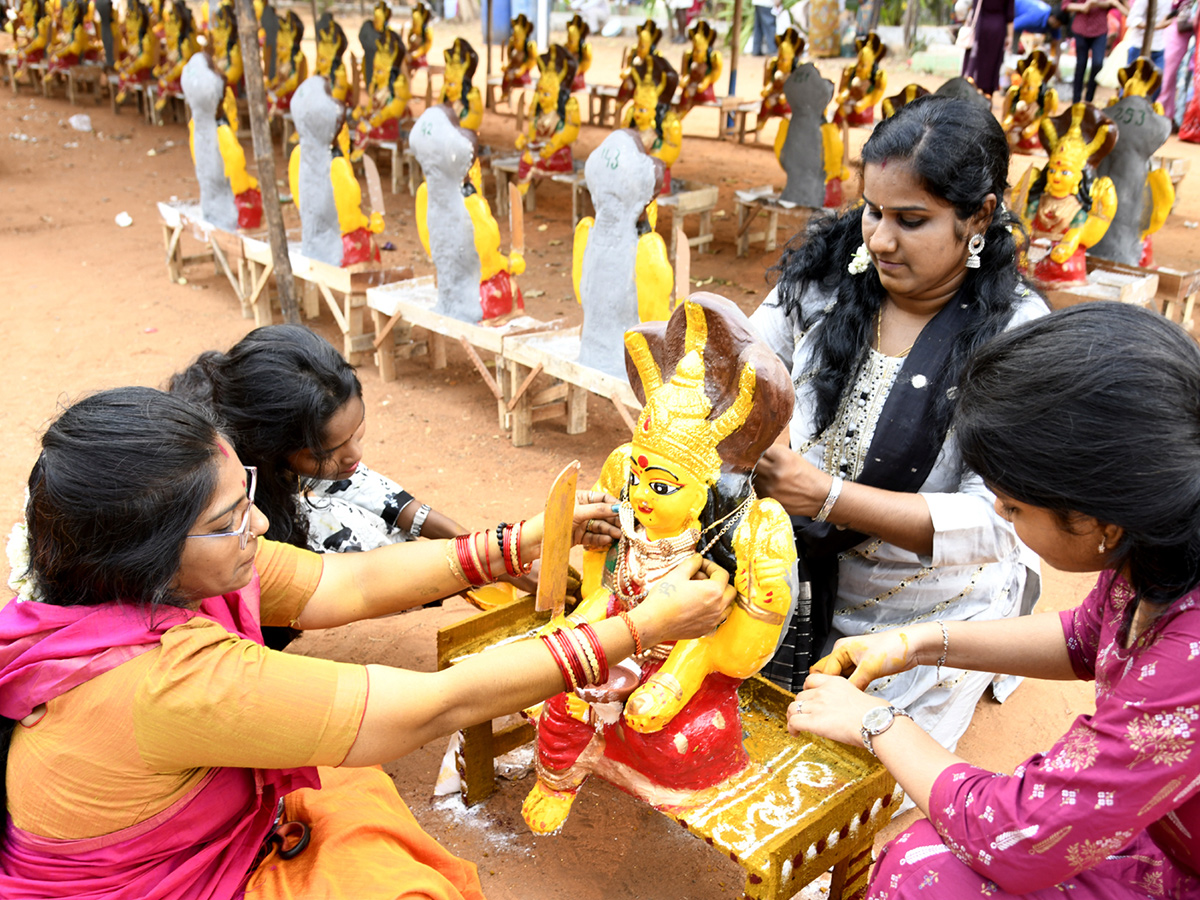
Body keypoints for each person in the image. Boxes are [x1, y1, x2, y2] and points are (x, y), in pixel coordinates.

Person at [0, 386, 734, 898]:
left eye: (247, 498)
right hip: (162, 884)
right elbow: (434, 704)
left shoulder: (151, 582)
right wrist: (642, 628)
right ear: (147, 553)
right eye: (227, 522)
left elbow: (344, 584)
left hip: (211, 835)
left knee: (348, 789)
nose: (259, 525)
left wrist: (525, 540)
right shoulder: (167, 679)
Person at [789, 303, 1200, 898]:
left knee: (926, 873)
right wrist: (917, 642)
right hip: (1165, 827)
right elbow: (1086, 636)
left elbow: (1018, 836)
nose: (1003, 518)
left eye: (1012, 508)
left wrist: (875, 722)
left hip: (1172, 862)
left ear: (1098, 521)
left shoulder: (1187, 663)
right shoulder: (1159, 546)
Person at [751, 95, 1048, 758]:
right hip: (784, 564)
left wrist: (826, 498)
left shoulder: (1017, 334)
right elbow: (745, 363)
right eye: (873, 211)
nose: (880, 240)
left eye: (912, 220)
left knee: (844, 764)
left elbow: (1001, 520)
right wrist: (764, 436)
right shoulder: (827, 280)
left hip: (923, 611)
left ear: (979, 216)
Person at [170, 326, 461, 556]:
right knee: (354, 541)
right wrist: (451, 567)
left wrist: (465, 541)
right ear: (270, 449)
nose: (355, 454)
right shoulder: (222, 489)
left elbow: (366, 487)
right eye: (326, 452)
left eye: (355, 430)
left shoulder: (274, 429)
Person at [1066, 0, 1128, 103]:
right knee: (1081, 64)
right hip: (1081, 27)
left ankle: (1088, 100)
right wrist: (1082, 7)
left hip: (1100, 29)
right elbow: (1066, 5)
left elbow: (1114, 4)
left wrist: (1098, 3)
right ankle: (1076, 101)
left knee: (1098, 64)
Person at [961, 0, 1015, 98]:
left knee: (976, 63)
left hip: (981, 27)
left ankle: (969, 92)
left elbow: (975, 7)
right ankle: (988, 95)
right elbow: (1010, 16)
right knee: (992, 64)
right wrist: (1010, 36)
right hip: (998, 28)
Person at [1124, 0, 1171, 99]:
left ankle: (1146, 106)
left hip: (1158, 47)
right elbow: (1132, 20)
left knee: (1156, 83)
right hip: (1138, 46)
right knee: (1131, 83)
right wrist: (1156, 27)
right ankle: (1125, 106)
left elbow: (1170, 18)